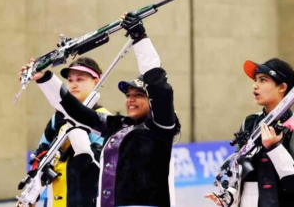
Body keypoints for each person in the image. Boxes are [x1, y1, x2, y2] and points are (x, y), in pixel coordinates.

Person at [21, 12, 180, 207]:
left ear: (152, 101)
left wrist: (139, 38)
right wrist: (44, 79)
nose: (130, 100)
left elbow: (158, 84)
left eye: (138, 95)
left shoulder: (161, 126)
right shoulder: (118, 126)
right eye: (128, 95)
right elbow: (76, 112)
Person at [206, 58, 294, 207]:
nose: (255, 85)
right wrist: (229, 197)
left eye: (263, 80)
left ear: (282, 87)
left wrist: (275, 148)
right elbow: (243, 176)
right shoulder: (250, 122)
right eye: (255, 80)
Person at [19, 57, 110, 207]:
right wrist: (32, 195)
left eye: (80, 79)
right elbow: (40, 155)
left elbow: (98, 163)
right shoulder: (57, 118)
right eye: (70, 79)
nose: (74, 84)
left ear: (96, 81)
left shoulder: (104, 118)